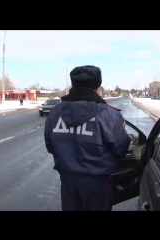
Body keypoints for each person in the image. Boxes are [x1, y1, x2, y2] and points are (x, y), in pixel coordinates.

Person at [44, 65, 131, 211]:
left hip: (68, 184)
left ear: (73, 85)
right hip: (97, 185)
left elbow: (50, 146)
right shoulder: (110, 115)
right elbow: (120, 151)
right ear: (97, 88)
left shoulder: (55, 114)